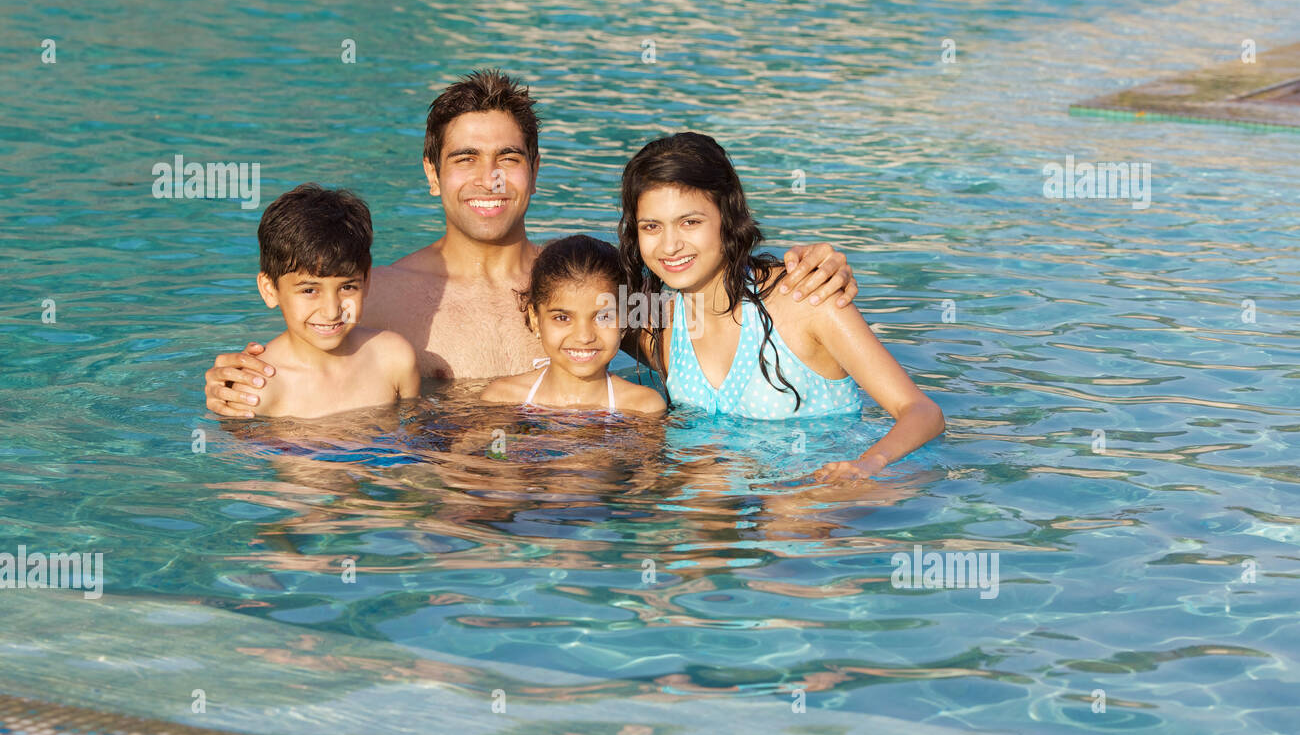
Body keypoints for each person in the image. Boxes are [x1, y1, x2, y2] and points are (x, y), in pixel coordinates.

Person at [203, 69, 860, 417]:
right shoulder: (379, 300)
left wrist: (797, 271)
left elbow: (708, 328)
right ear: (432, 174)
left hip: (588, 506)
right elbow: (304, 347)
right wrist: (233, 378)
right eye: (464, 159)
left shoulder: (586, 285)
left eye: (508, 157)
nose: (488, 179)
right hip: (446, 514)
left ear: (535, 169)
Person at [619, 132, 945, 480]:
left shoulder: (806, 297)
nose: (670, 245)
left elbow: (923, 413)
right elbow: (562, 283)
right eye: (651, 226)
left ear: (728, 215)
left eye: (690, 222)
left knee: (781, 512)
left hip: (833, 488)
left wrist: (868, 465)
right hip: (726, 495)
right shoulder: (659, 322)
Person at [248, 184, 420, 418]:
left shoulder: (393, 360)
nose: (331, 311)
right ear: (270, 290)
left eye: (347, 287)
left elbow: (417, 441)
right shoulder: (260, 389)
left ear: (366, 280)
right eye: (309, 290)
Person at [481, 234, 665, 415]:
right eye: (563, 318)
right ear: (535, 319)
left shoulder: (643, 408)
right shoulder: (502, 398)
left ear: (624, 319)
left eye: (602, 317)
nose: (584, 337)